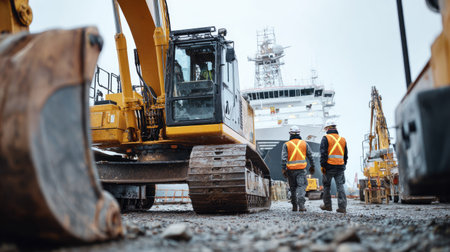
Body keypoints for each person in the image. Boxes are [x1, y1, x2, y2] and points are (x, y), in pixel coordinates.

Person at [281, 125, 316, 212]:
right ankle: (301, 205)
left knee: (292, 188)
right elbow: (310, 156)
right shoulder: (304, 143)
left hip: (290, 171)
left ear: (290, 134)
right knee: (301, 186)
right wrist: (312, 166)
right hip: (301, 170)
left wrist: (283, 169)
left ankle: (294, 206)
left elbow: (283, 158)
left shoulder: (286, 144)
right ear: (299, 133)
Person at [319, 121, 348, 213]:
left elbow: (323, 153)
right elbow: (345, 155)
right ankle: (342, 207)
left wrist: (323, 165)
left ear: (327, 128)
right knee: (340, 186)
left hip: (329, 167)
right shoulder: (342, 139)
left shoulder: (326, 138)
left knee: (327, 186)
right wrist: (343, 164)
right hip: (340, 167)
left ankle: (327, 206)